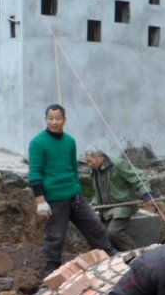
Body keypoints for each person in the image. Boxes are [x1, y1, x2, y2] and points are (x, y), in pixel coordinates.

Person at [28, 104, 114, 276]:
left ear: (64, 120)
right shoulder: (37, 143)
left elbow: (73, 169)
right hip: (54, 200)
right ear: (46, 120)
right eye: (50, 118)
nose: (54, 122)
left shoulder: (70, 142)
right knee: (55, 238)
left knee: (95, 227)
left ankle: (109, 257)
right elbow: (35, 173)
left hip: (74, 196)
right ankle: (51, 274)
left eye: (58, 118)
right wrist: (40, 200)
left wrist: (79, 190)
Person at [84, 145, 153, 252]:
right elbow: (99, 192)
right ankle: (111, 256)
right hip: (106, 208)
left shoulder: (118, 164)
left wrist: (146, 193)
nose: (89, 164)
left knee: (113, 232)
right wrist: (93, 204)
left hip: (122, 206)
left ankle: (134, 253)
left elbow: (138, 176)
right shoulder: (94, 170)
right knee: (99, 232)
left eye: (90, 161)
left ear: (99, 157)